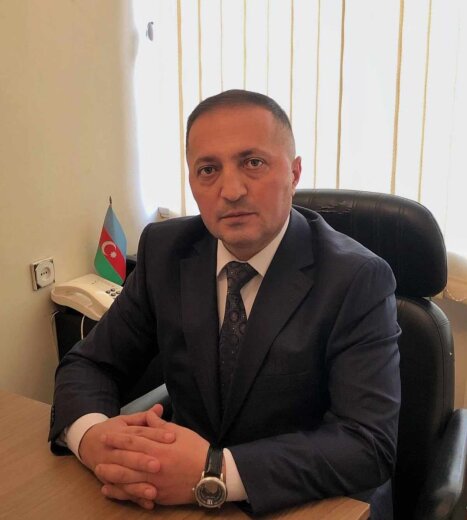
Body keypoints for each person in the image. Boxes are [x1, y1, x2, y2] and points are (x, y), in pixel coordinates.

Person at [49, 89, 401, 519]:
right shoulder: (166, 251)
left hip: (307, 503)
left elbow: (367, 444)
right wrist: (94, 439)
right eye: (208, 170)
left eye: (253, 163)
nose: (230, 191)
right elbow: (90, 364)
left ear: (294, 173)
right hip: (175, 498)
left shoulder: (356, 278)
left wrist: (215, 470)